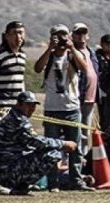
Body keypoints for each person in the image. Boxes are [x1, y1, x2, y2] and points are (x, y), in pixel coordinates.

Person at [34, 24, 92, 191]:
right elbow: (38, 68)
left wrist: (72, 48)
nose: (60, 39)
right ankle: (53, 182)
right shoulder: (50, 57)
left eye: (63, 36)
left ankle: (76, 180)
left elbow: (85, 69)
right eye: (57, 36)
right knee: (52, 148)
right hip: (52, 108)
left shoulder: (73, 56)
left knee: (76, 146)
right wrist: (49, 49)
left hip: (71, 108)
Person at [0, 91, 77, 195]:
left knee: (47, 152)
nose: (32, 108)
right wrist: (63, 144)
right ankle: (21, 187)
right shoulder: (18, 120)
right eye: (28, 105)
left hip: (8, 168)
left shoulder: (15, 116)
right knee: (53, 154)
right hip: (7, 172)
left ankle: (21, 187)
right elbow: (35, 141)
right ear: (19, 104)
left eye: (33, 105)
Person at [0, 20, 27, 132]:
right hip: (1, 107)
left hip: (16, 107)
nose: (18, 37)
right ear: (7, 36)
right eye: (14, 33)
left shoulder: (22, 56)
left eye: (21, 33)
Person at [71, 23, 100, 163]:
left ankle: (83, 157)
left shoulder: (91, 52)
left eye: (84, 33)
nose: (81, 36)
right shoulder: (71, 52)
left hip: (90, 97)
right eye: (78, 33)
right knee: (77, 130)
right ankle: (77, 158)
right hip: (78, 96)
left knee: (86, 130)